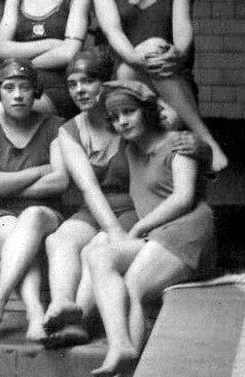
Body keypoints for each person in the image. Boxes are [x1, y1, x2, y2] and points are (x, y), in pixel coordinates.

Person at [86, 81, 217, 376]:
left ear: (146, 111)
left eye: (129, 112)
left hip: (189, 230)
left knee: (134, 282)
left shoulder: (179, 142)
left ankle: (127, 368)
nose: (122, 121)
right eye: (116, 116)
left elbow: (183, 198)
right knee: (99, 257)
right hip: (157, 236)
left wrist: (140, 226)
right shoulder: (130, 150)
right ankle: (120, 345)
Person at [92, 0, 228, 172]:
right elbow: (113, 31)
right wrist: (141, 59)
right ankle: (207, 138)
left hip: (171, 76)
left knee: (167, 124)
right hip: (127, 77)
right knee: (153, 46)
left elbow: (183, 30)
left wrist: (177, 51)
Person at [41, 50, 136, 346]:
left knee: (97, 247)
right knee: (58, 239)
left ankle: (78, 321)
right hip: (94, 206)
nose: (80, 90)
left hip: (134, 206)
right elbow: (89, 188)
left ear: (105, 83)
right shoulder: (69, 131)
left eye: (88, 81)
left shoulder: (127, 116)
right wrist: (112, 227)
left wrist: (116, 232)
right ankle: (62, 305)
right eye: (72, 84)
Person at [0, 60, 68, 341]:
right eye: (9, 87)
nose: (17, 95)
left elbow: (60, 181)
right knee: (19, 233)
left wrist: (6, 184)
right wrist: (40, 171)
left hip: (46, 213)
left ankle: (0, 297)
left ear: (35, 92)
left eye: (25, 88)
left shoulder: (55, 126)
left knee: (32, 217)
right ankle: (36, 312)